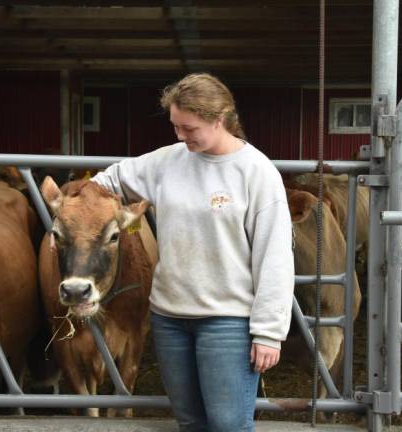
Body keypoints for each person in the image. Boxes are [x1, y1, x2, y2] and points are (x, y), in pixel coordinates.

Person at [91, 73, 294, 432]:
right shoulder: (166, 161)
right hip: (170, 317)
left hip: (228, 320)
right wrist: (78, 203)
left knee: (228, 424)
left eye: (189, 128)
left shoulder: (256, 172)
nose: (180, 136)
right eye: (175, 126)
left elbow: (275, 255)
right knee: (190, 422)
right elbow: (107, 180)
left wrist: (268, 332)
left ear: (220, 119)